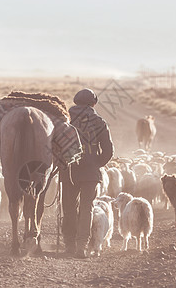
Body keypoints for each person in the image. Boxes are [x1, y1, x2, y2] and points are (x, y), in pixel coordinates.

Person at [60, 88, 114, 258]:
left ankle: (69, 244)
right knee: (86, 208)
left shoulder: (65, 120)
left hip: (68, 170)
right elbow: (108, 151)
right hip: (90, 172)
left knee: (68, 208)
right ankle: (81, 246)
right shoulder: (99, 121)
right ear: (94, 103)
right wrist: (95, 163)